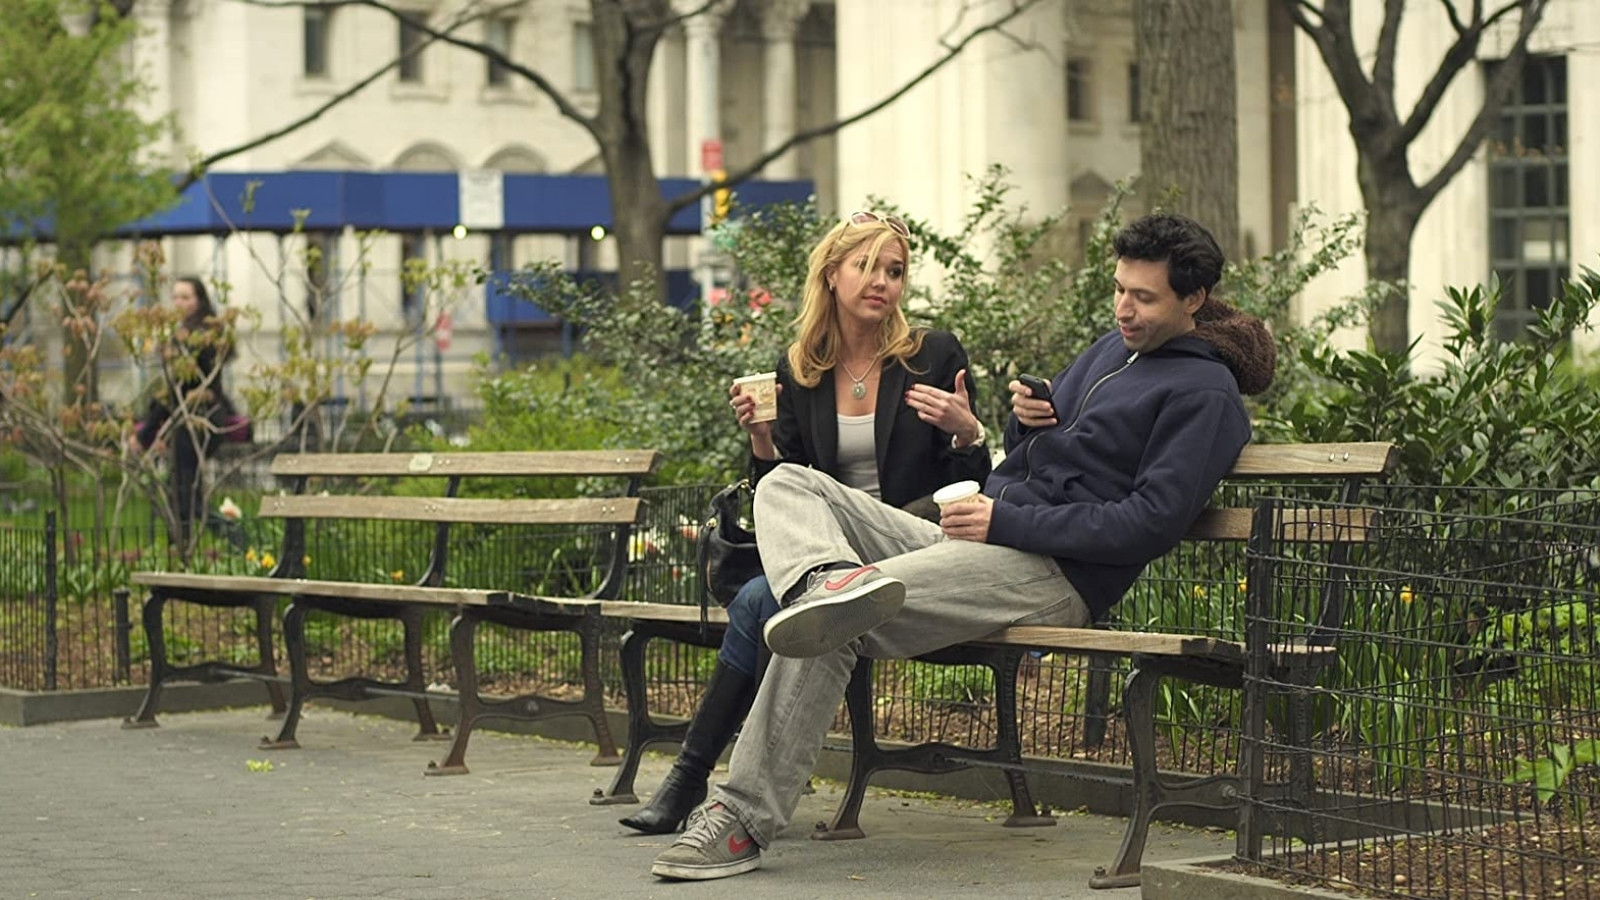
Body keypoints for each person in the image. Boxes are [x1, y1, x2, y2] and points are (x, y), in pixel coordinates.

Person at [650, 212, 1278, 880]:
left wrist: (1005, 522)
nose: (1124, 309)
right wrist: (1027, 419)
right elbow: (1041, 449)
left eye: (1143, 298)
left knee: (838, 624)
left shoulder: (1206, 396)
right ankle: (826, 581)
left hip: (1055, 573)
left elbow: (1148, 525)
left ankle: (742, 820)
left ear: (1193, 299)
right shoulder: (1111, 350)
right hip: (979, 536)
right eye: (1120, 289)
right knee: (788, 485)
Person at [620, 211, 992, 834]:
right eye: (865, 266)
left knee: (757, 602)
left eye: (895, 271)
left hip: (910, 546)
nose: (882, 282)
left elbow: (971, 483)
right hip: (828, 557)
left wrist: (967, 432)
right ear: (831, 275)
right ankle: (700, 781)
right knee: (764, 597)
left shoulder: (931, 355)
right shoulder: (798, 368)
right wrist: (762, 440)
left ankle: (690, 780)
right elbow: (781, 490)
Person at [130, 277, 240, 547]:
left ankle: (233, 539)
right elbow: (173, 394)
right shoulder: (183, 335)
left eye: (185, 297)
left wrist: (147, 434)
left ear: (199, 301)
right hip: (188, 419)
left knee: (185, 494)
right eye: (175, 297)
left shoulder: (199, 337)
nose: (178, 302)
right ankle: (182, 548)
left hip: (199, 420)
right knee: (181, 492)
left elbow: (177, 390)